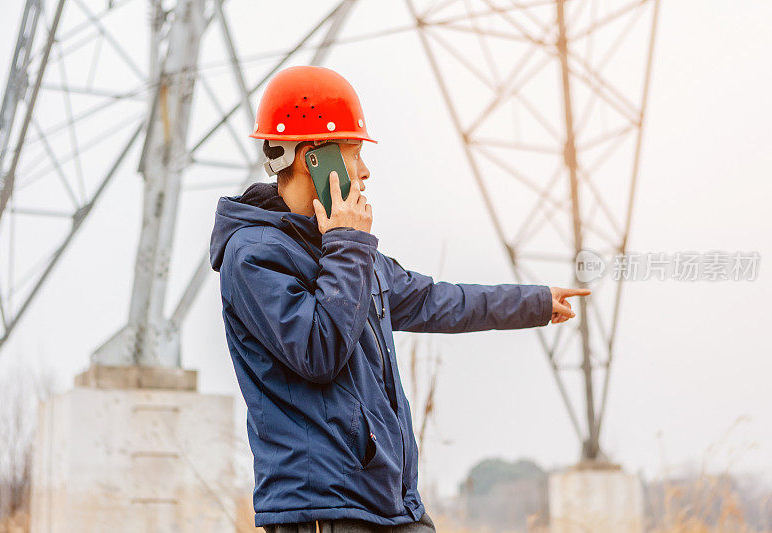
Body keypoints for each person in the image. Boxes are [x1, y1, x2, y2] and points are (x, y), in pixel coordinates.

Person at [209, 65, 589, 532]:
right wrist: (347, 242)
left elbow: (435, 301)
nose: (365, 172)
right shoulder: (254, 256)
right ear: (314, 158)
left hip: (388, 503)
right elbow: (318, 350)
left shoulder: (338, 248)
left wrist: (532, 302)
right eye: (352, 152)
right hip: (324, 511)